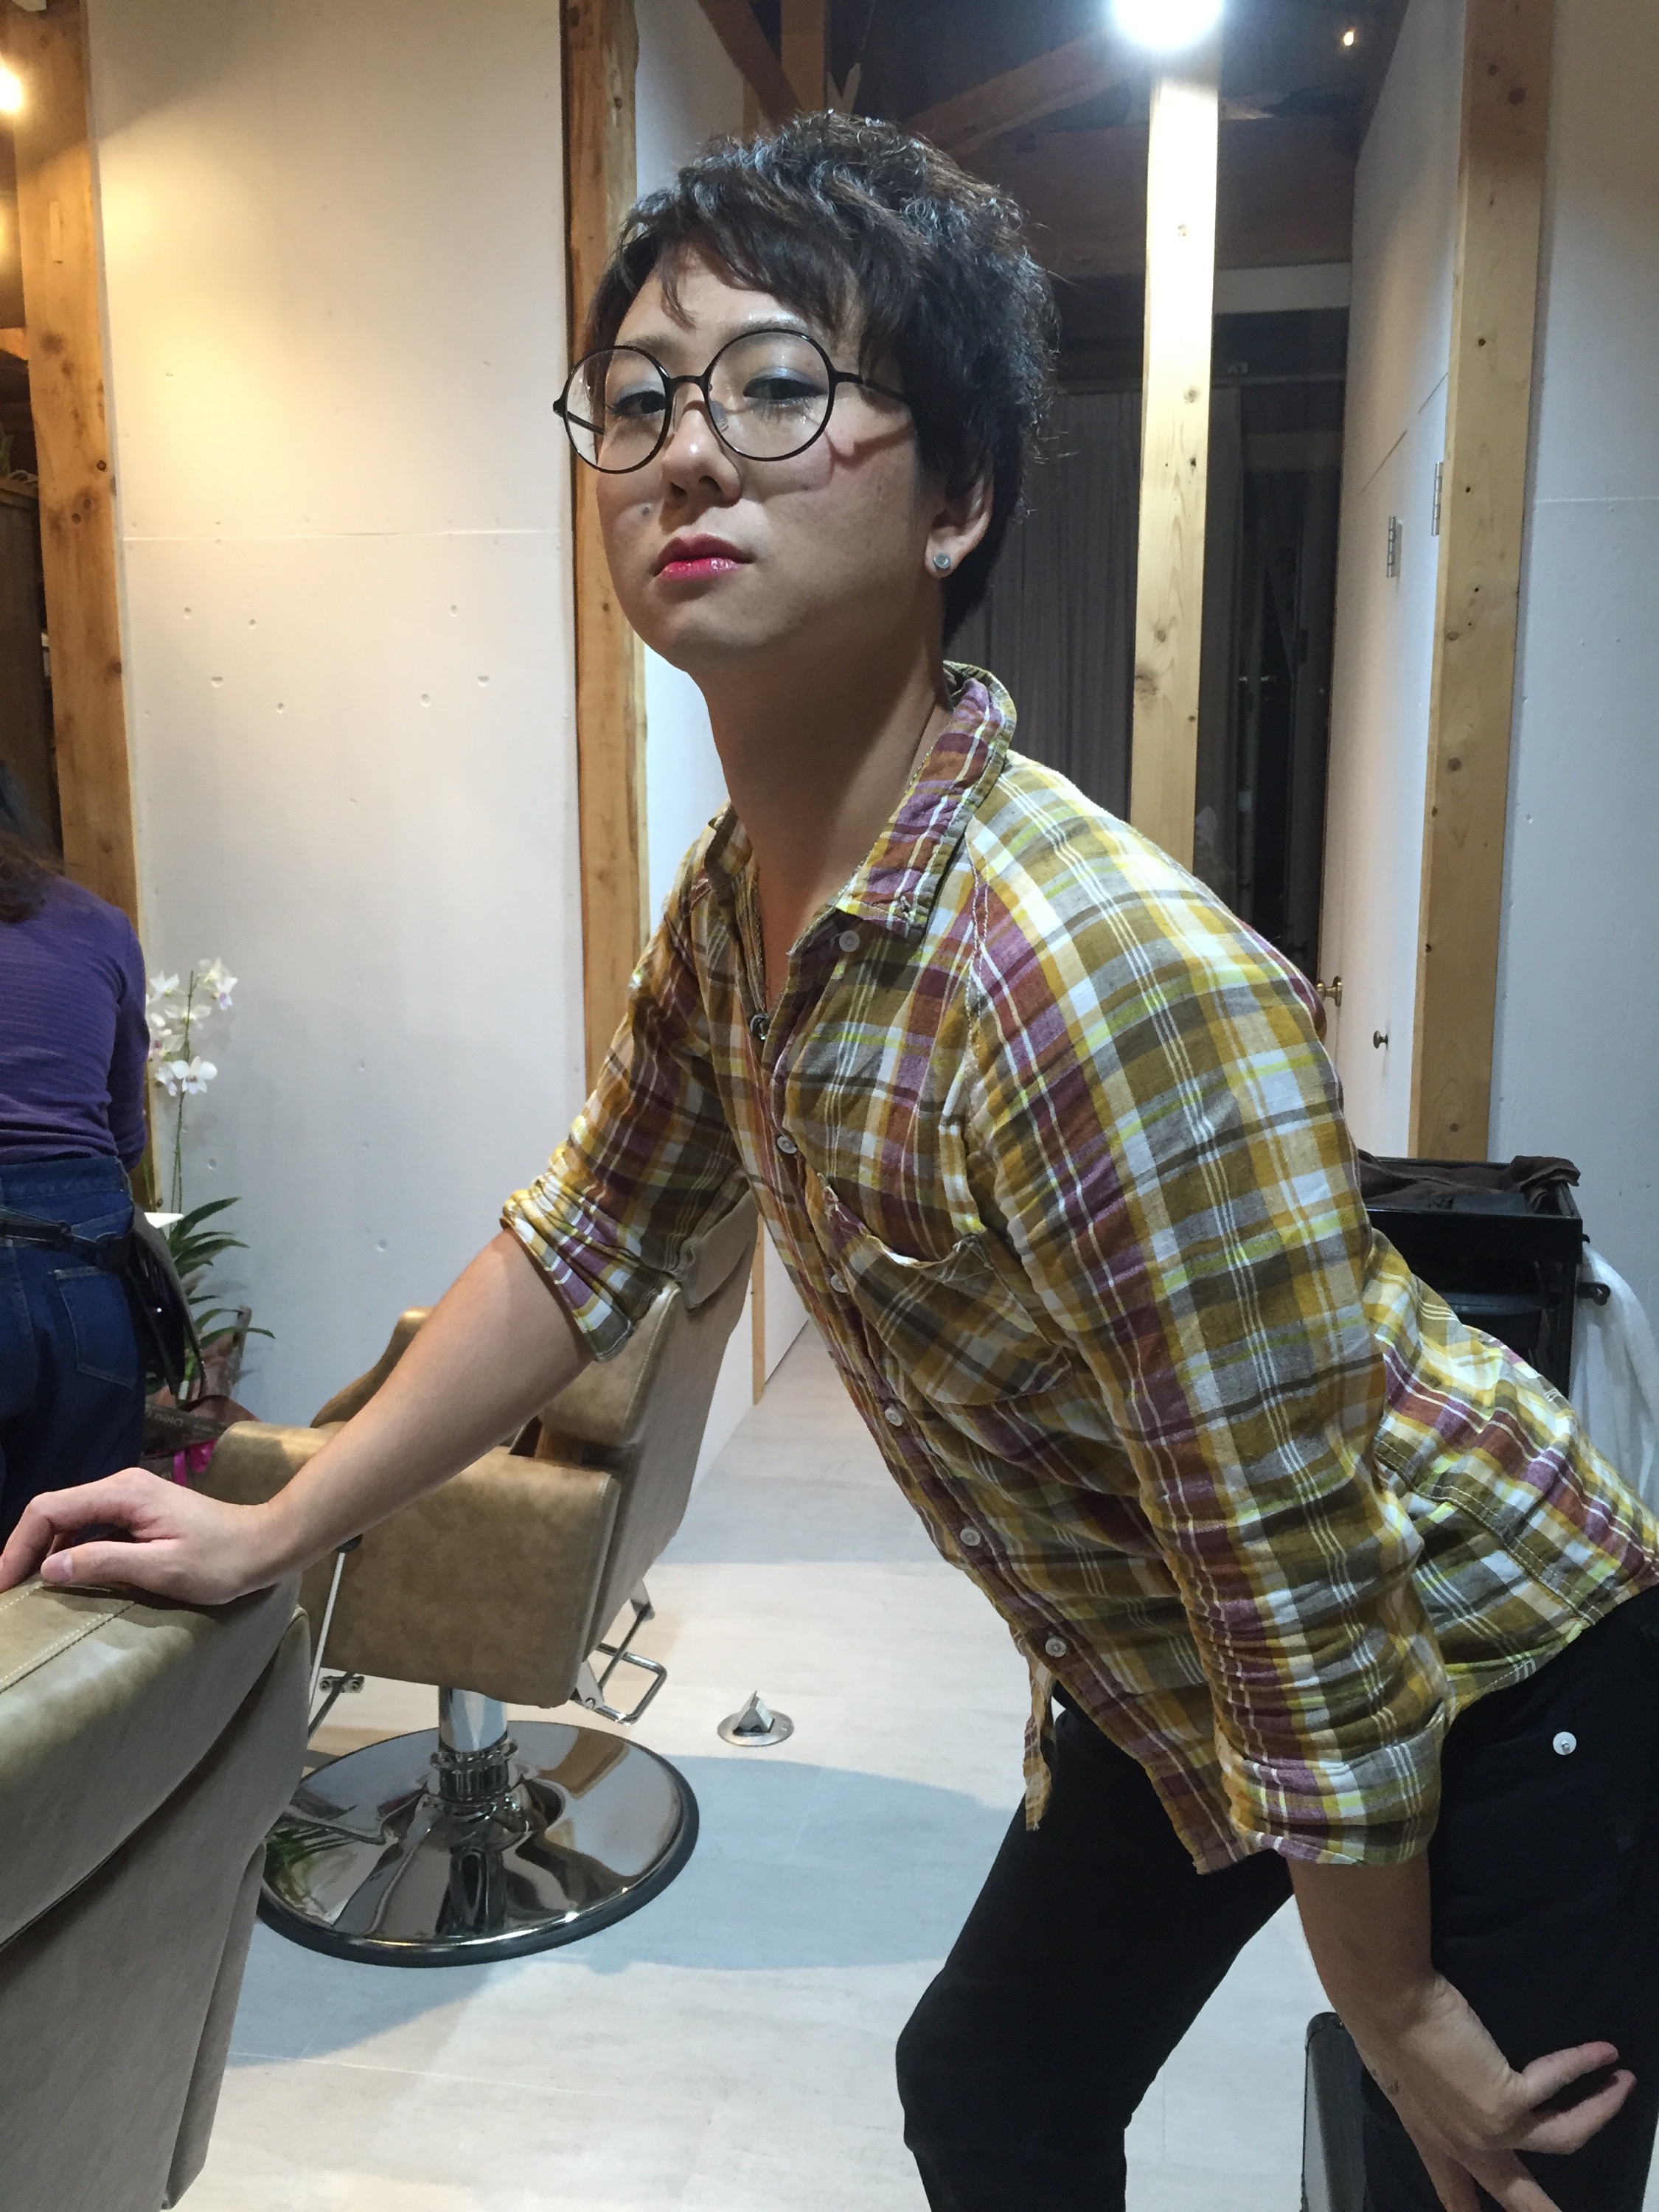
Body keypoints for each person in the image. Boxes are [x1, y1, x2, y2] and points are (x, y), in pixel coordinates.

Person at [2, 114, 1656, 2212]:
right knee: (990, 2087)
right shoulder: (741, 903)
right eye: (635, 399)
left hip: (1493, 1668)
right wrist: (280, 1521)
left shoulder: (1090, 975)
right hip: (1173, 1655)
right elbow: (579, 1244)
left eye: (777, 386)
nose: (686, 453)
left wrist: (1391, 1996)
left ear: (957, 497)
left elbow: (1305, 1581)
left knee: (1481, 2176)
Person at [0, 828, 150, 1543]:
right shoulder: (98, 923)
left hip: (77, 1238)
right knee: (74, 1558)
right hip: (82, 1257)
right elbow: (125, 1138)